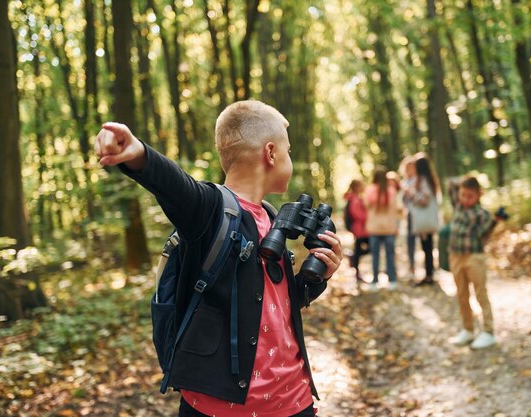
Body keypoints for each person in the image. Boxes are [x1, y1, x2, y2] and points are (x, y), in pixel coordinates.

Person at [94, 100, 343, 417]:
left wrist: (317, 278)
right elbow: (178, 187)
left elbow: (275, 305)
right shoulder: (211, 211)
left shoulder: (270, 217)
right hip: (219, 409)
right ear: (270, 153)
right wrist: (139, 154)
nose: (289, 157)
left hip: (294, 402)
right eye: (288, 150)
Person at [447, 176, 502, 350]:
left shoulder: (482, 214)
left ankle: (488, 331)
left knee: (480, 293)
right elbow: (450, 185)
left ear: (479, 195)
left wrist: (495, 221)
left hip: (474, 257)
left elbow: (483, 235)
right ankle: (468, 328)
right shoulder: (458, 206)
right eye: (462, 194)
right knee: (461, 294)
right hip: (456, 256)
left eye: (469, 196)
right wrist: (462, 182)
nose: (465, 199)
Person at [403, 153, 441, 286]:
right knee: (428, 247)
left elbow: (424, 200)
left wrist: (411, 193)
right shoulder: (430, 179)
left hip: (424, 219)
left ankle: (429, 275)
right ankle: (429, 273)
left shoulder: (423, 180)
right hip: (428, 219)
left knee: (427, 247)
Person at [364, 166, 400, 289]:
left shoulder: (369, 190)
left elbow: (366, 206)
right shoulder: (392, 191)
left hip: (374, 228)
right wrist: (396, 226)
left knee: (375, 256)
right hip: (389, 228)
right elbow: (395, 211)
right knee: (390, 255)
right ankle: (392, 280)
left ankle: (374, 281)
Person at [343, 179, 370, 284]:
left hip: (363, 229)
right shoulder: (354, 199)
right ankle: (357, 273)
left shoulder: (358, 198)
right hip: (359, 229)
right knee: (360, 250)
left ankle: (352, 258)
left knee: (361, 251)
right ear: (357, 187)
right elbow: (358, 215)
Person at [399, 156, 417, 278]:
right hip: (410, 214)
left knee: (425, 241)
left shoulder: (419, 180)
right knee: (410, 241)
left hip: (420, 214)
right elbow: (402, 201)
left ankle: (430, 268)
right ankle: (411, 266)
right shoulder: (404, 182)